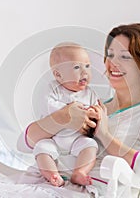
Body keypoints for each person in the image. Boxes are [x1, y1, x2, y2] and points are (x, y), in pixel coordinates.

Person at [17, 23, 140, 196]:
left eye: (125, 56)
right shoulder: (95, 105)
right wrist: (62, 118)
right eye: (110, 55)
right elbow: (23, 145)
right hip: (51, 185)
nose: (112, 63)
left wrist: (104, 135)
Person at [32, 42, 99, 187]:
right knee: (41, 148)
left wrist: (93, 112)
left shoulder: (90, 93)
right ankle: (52, 174)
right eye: (76, 67)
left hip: (77, 139)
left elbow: (95, 111)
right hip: (54, 138)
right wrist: (70, 110)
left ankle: (79, 172)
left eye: (87, 66)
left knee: (91, 146)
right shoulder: (53, 89)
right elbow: (48, 105)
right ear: (58, 75)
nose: (84, 72)